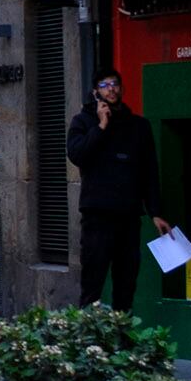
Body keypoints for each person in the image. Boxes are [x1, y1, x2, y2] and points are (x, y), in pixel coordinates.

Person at [65, 69, 168, 311]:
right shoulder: (83, 122)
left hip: (128, 214)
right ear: (95, 92)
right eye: (104, 85)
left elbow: (149, 171)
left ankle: (122, 329)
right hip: (97, 214)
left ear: (121, 88)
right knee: (93, 280)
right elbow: (77, 155)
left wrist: (155, 212)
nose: (111, 89)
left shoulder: (139, 126)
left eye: (115, 84)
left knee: (127, 280)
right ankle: (88, 330)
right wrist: (101, 126)